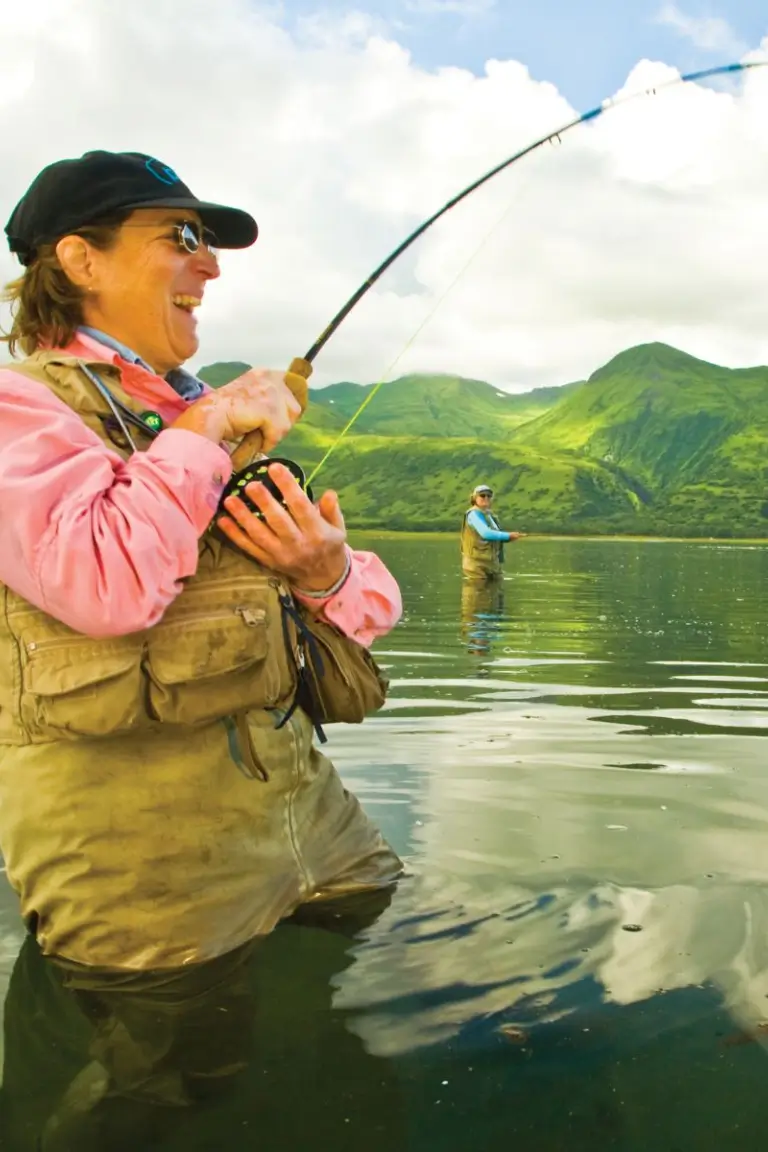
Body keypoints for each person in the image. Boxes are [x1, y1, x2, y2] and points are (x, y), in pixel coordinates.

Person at [0, 149, 404, 972]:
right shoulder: (20, 404)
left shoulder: (192, 416)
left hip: (314, 830)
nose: (210, 266)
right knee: (165, 1094)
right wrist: (208, 424)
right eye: (182, 236)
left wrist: (322, 570)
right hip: (142, 876)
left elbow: (373, 614)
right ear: (80, 259)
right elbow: (105, 584)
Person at [460, 484, 523, 580]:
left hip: (492, 563)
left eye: (489, 496)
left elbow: (496, 536)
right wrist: (507, 536)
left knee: (495, 592)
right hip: (476, 564)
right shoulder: (473, 514)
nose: (486, 498)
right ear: (474, 498)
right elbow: (486, 533)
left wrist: (511, 537)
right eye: (482, 495)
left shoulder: (490, 516)